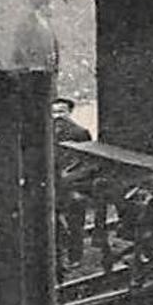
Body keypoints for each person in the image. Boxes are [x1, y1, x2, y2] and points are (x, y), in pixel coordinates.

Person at [52, 98, 93, 266]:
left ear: (70, 112)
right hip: (53, 184)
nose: (57, 116)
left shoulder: (80, 133)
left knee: (75, 223)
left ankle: (75, 257)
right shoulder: (44, 134)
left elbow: (88, 162)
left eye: (61, 112)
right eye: (54, 112)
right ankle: (57, 256)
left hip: (73, 184)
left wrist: (74, 179)